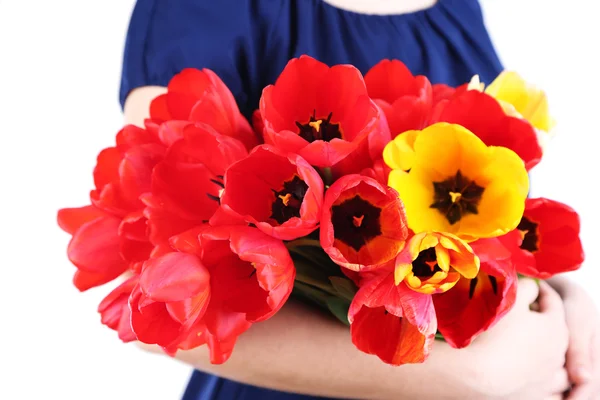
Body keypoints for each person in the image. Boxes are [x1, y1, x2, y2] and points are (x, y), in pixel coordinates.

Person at [119, 0, 600, 398]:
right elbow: (151, 293)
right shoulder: (204, 9)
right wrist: (470, 379)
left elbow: (494, 216)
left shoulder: (458, 8)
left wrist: (565, 303)